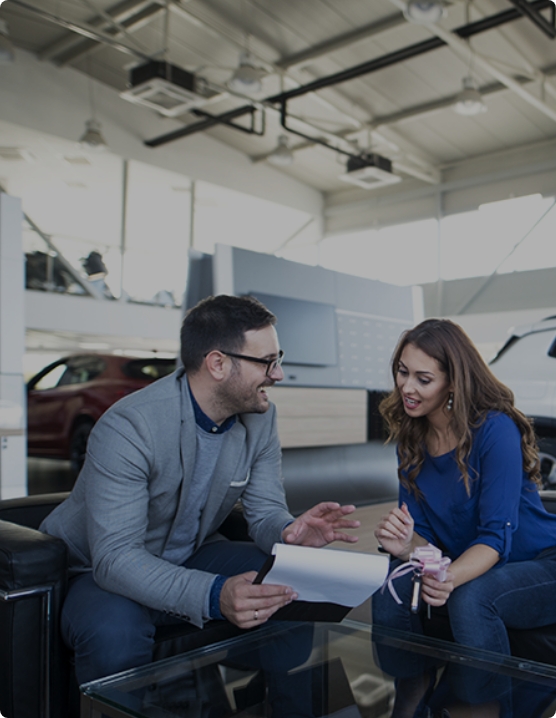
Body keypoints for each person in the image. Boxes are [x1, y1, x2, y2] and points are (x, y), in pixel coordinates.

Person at [41, 294, 360, 686]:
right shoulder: (129, 427)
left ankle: (277, 706)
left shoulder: (260, 420)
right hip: (96, 569)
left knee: (290, 587)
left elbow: (264, 512)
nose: (278, 375)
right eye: (267, 362)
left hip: (189, 551)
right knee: (115, 635)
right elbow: (116, 559)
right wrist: (215, 594)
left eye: (279, 359)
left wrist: (287, 531)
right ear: (218, 363)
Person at [371, 318, 556, 718]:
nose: (406, 387)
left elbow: (495, 540)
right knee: (390, 579)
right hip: (470, 560)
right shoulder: (412, 439)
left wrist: (449, 576)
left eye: (423, 378)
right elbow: (423, 539)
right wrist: (407, 546)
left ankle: (486, 708)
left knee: (472, 597)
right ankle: (411, 688)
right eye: (403, 372)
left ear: (452, 383)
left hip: (540, 563)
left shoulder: (495, 430)